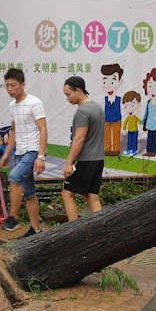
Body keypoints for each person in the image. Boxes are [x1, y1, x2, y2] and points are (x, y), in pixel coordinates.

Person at [0, 68, 48, 237]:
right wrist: (7, 153)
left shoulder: (34, 102)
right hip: (20, 153)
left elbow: (43, 129)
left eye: (13, 85)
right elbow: (13, 131)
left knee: (14, 177)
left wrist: (41, 156)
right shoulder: (12, 106)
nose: (10, 89)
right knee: (29, 193)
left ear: (23, 85)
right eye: (7, 85)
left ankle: (13, 217)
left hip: (33, 151)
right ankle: (36, 230)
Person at [61, 76, 105, 222]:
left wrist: (69, 162)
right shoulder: (97, 107)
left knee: (67, 194)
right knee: (93, 197)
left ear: (78, 91)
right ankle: (100, 231)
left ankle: (74, 231)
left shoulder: (82, 111)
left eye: (68, 94)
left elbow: (79, 139)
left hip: (86, 160)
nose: (67, 98)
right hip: (98, 159)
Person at [101, 64, 123, 156]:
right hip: (107, 119)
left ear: (120, 82)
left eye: (113, 82)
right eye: (105, 82)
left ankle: (116, 150)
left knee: (116, 135)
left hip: (117, 119)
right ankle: (107, 149)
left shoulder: (119, 99)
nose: (109, 86)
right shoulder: (105, 99)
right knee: (107, 135)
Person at [121, 91, 142, 156]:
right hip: (129, 131)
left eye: (132, 105)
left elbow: (139, 121)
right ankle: (129, 149)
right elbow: (125, 123)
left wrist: (142, 126)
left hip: (135, 130)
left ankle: (134, 150)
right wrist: (124, 129)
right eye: (126, 107)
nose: (129, 109)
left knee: (134, 140)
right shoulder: (128, 117)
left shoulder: (135, 117)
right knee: (129, 140)